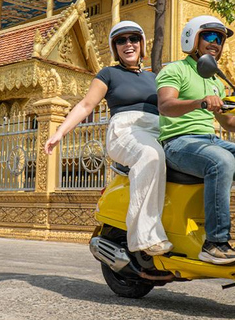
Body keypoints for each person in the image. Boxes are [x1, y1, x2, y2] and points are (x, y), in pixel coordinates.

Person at [44, 21, 171, 256]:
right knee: (151, 155)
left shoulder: (155, 77)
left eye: (133, 38)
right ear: (115, 48)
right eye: (121, 41)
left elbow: (170, 107)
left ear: (142, 44)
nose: (128, 44)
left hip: (157, 130)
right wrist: (60, 132)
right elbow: (86, 104)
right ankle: (143, 236)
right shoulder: (109, 74)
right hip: (127, 132)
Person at [156, 15, 235, 265]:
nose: (216, 43)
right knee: (221, 161)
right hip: (179, 143)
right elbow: (165, 105)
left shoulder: (215, 82)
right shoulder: (175, 70)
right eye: (210, 37)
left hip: (210, 141)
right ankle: (215, 243)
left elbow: (229, 123)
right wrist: (198, 102)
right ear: (193, 39)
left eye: (220, 39)